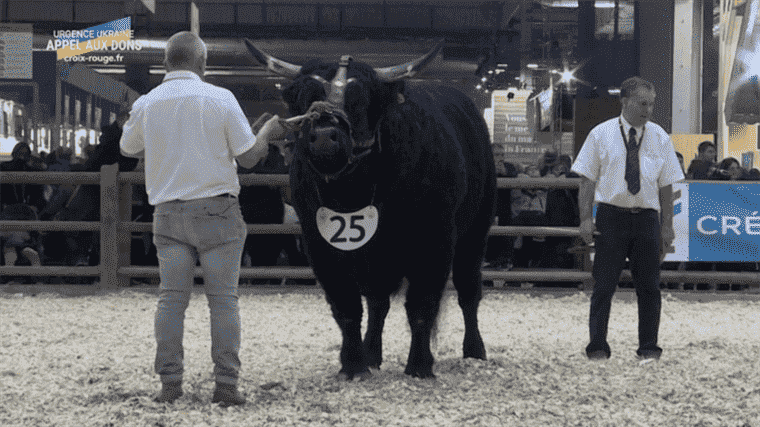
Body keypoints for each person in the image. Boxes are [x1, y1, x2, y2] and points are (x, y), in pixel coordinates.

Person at [119, 31, 288, 405]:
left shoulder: (147, 103)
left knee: (171, 300)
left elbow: (127, 147)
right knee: (223, 301)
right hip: (217, 212)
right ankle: (226, 386)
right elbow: (247, 157)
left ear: (166, 63)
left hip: (167, 214)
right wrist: (268, 131)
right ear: (202, 64)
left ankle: (170, 386)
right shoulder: (220, 98)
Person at [571, 76, 684, 360]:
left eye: (651, 104)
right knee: (603, 286)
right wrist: (586, 218)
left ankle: (649, 347)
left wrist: (667, 225)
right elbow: (586, 180)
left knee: (649, 287)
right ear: (624, 101)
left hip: (647, 218)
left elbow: (667, 185)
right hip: (610, 216)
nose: (648, 110)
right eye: (642, 103)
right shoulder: (600, 134)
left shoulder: (659, 136)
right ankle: (597, 345)